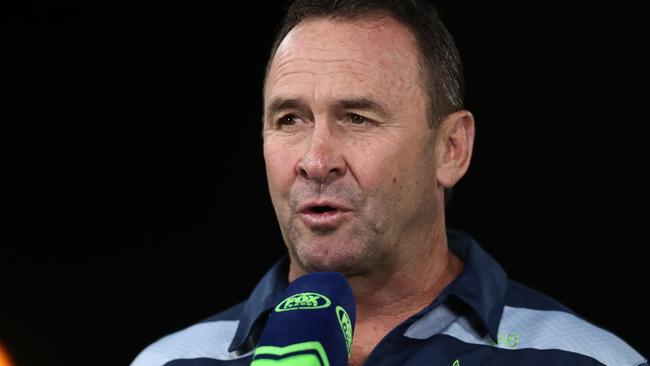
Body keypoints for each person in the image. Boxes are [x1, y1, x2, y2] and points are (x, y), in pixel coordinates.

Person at [131, 1, 647, 365]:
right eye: (290, 119)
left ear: (451, 149)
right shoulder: (170, 361)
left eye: (357, 117)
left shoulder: (586, 360)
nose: (315, 160)